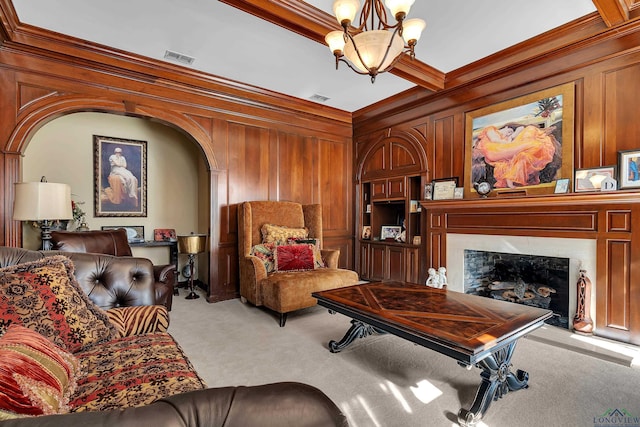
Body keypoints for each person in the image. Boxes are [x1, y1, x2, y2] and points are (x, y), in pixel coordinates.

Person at [474, 124, 557, 188]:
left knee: (532, 146)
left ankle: (511, 176)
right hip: (494, 150)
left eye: (511, 132)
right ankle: (511, 176)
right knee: (534, 142)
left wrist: (511, 137)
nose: (509, 133)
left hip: (499, 150)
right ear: (505, 127)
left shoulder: (504, 138)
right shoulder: (491, 129)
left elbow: (507, 142)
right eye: (509, 131)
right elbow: (494, 139)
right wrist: (511, 138)